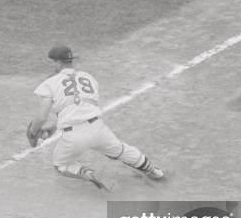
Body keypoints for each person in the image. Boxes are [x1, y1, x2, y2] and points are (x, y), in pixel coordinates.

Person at [27, 45, 164, 190]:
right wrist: (54, 126)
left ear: (57, 62)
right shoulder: (89, 78)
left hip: (73, 136)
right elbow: (79, 107)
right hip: (98, 129)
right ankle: (154, 171)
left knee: (61, 165)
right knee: (121, 150)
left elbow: (41, 117)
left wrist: (33, 131)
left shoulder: (49, 83)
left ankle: (89, 174)